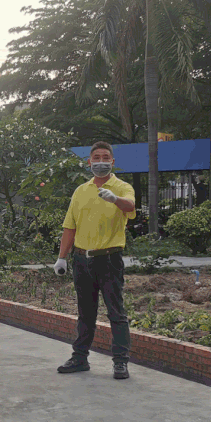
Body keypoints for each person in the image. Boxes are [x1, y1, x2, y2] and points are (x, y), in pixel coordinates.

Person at [53, 141, 137, 379]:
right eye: (96, 158)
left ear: (112, 162)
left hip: (109, 260)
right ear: (89, 162)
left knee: (116, 313)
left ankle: (121, 362)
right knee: (85, 313)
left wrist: (115, 199)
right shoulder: (80, 191)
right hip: (82, 260)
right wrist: (62, 258)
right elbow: (70, 227)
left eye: (105, 157)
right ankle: (80, 358)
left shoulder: (122, 187)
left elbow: (130, 206)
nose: (101, 162)